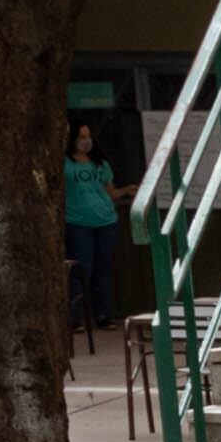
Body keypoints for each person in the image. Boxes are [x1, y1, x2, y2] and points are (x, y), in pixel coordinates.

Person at [59, 122, 135, 340]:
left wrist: (126, 191)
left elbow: (110, 192)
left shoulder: (100, 163)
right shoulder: (64, 164)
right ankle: (76, 318)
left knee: (102, 271)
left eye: (89, 136)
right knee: (82, 270)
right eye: (81, 136)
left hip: (105, 221)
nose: (86, 141)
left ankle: (103, 315)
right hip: (77, 222)